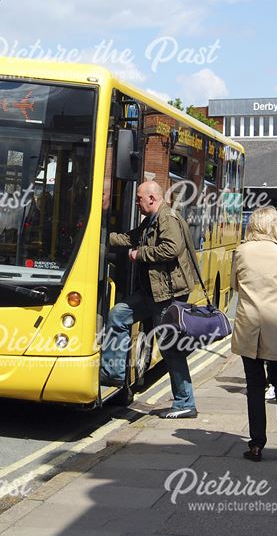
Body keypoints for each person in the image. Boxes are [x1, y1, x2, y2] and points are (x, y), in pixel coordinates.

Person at [101, 180, 200, 419]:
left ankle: (185, 402)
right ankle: (113, 374)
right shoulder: (151, 221)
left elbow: (172, 249)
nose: (136, 202)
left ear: (152, 199)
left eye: (139, 198)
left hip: (167, 295)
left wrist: (139, 254)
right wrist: (98, 233)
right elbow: (129, 238)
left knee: (170, 348)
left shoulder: (167, 219)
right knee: (118, 315)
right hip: (151, 292)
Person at [232, 206, 277, 461]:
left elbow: (235, 286)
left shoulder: (241, 252)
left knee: (254, 386)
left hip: (250, 327)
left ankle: (256, 444)